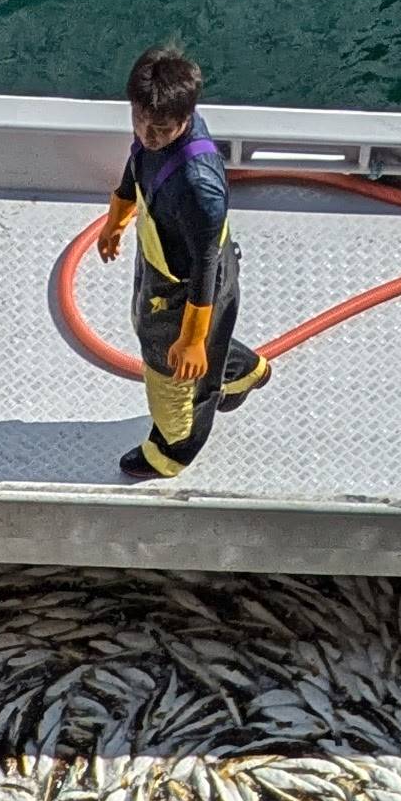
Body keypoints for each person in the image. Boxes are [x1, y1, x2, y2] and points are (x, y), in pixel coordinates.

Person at [95, 43, 270, 482]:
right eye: (140, 120)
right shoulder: (151, 128)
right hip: (161, 259)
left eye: (161, 129)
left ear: (186, 117)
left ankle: (174, 447)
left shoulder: (199, 186)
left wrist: (191, 339)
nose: (147, 135)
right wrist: (116, 220)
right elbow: (136, 167)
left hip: (189, 285)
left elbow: (206, 269)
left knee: (171, 370)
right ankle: (243, 371)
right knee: (173, 336)